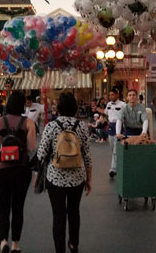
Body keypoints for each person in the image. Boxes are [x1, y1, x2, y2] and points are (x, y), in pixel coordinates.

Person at [36, 92, 92, 253]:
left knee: (58, 215)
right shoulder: (81, 126)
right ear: (75, 108)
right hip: (77, 177)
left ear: (58, 108)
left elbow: (41, 154)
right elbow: (87, 155)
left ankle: (59, 249)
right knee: (74, 212)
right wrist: (89, 179)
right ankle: (73, 244)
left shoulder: (51, 126)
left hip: (55, 178)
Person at [0, 91, 36, 253]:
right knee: (18, 207)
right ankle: (15, 244)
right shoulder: (28, 123)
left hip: (1, 169)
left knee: (2, 206)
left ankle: (3, 241)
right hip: (21, 169)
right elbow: (31, 148)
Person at [104, 88, 126, 179]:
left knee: (115, 151)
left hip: (119, 126)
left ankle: (113, 169)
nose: (111, 96)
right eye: (110, 95)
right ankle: (119, 166)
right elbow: (106, 113)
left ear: (117, 94)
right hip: (111, 126)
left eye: (113, 94)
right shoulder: (108, 104)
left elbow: (125, 117)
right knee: (112, 149)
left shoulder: (123, 105)